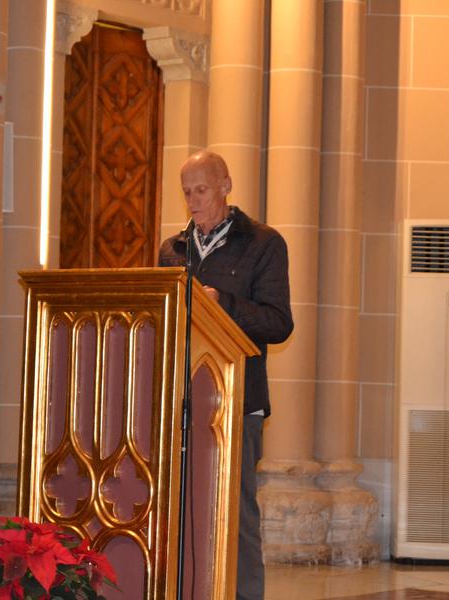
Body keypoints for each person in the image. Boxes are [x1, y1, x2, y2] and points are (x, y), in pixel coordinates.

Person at [158, 150, 293, 600]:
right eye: (187, 193)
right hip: (180, 400)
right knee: (178, 510)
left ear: (226, 185)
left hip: (237, 400)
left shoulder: (263, 243)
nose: (193, 202)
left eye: (202, 190)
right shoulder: (172, 250)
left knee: (236, 516)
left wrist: (224, 305)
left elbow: (278, 323)